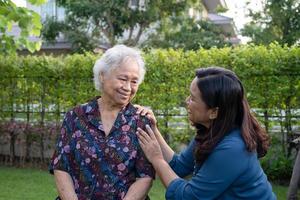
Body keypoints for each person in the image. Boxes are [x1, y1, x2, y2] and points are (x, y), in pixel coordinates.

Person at [136, 67, 277, 200]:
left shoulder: (233, 148)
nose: (187, 101)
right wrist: (154, 129)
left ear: (214, 112)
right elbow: (179, 167)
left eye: (192, 98)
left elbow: (188, 197)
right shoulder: (212, 132)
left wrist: (157, 159)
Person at [49, 44, 155, 200]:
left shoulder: (141, 120)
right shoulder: (75, 117)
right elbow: (61, 167)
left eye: (134, 81)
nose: (128, 87)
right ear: (102, 75)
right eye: (123, 78)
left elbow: (145, 176)